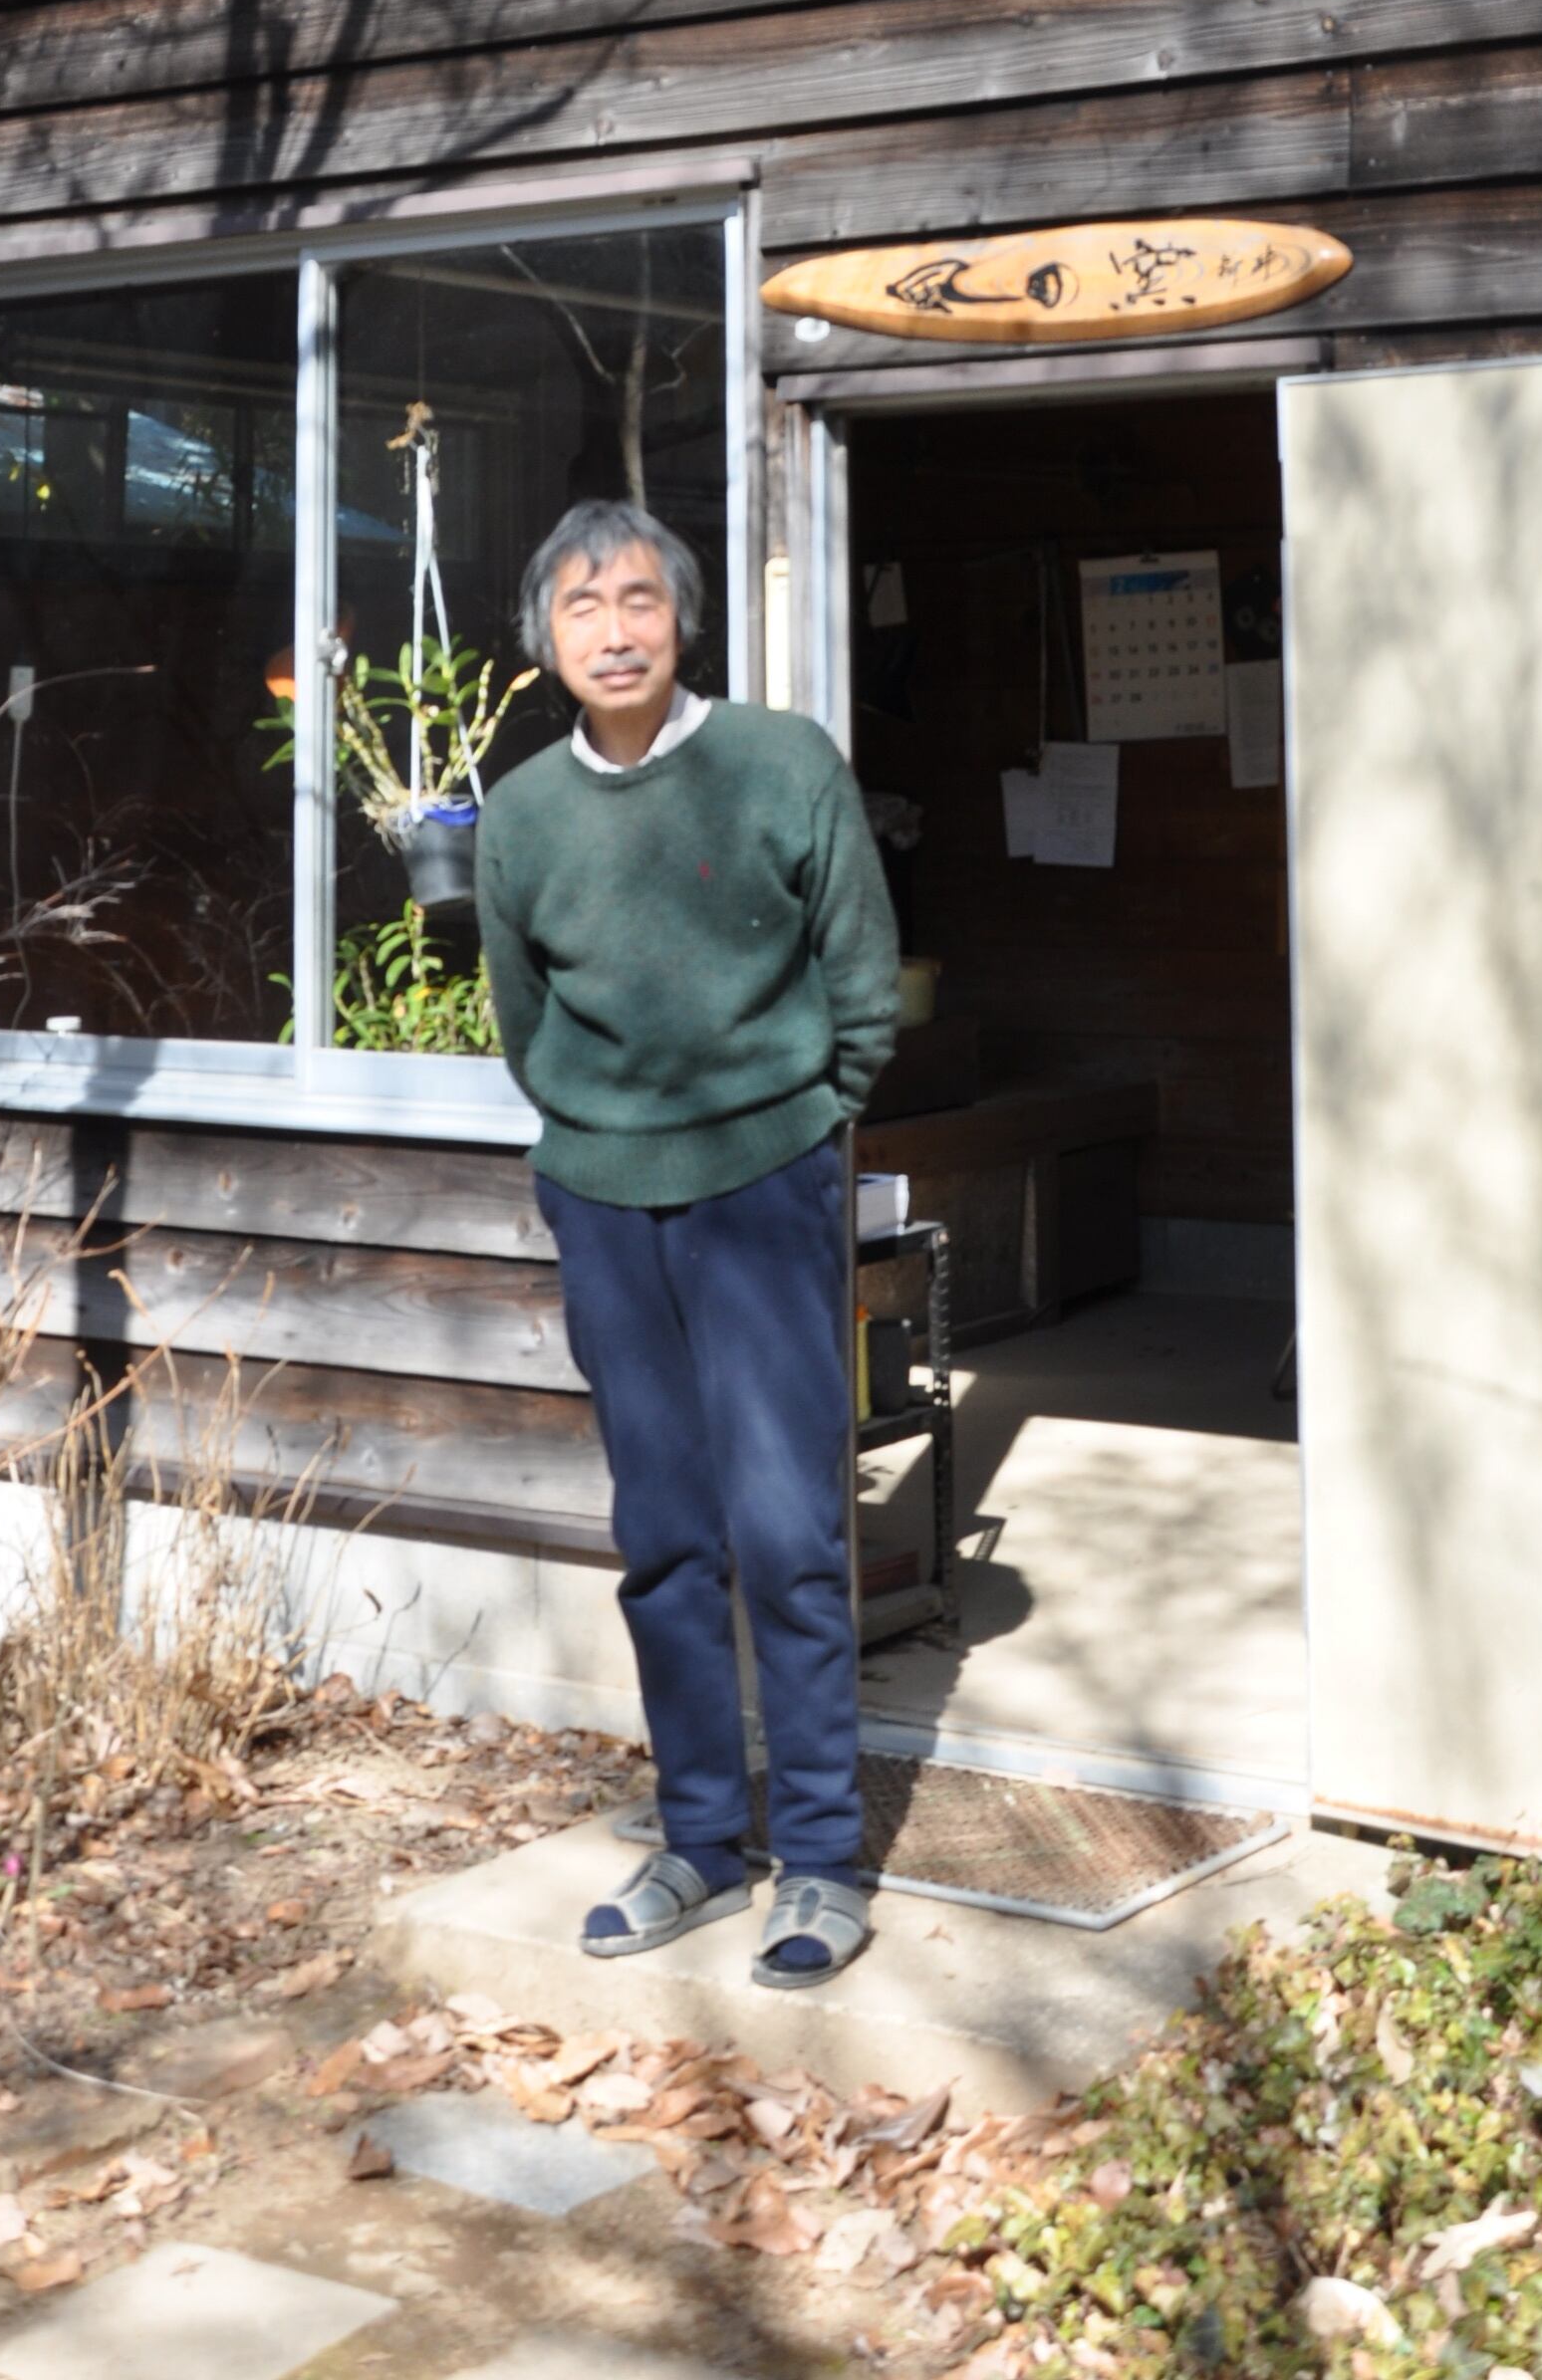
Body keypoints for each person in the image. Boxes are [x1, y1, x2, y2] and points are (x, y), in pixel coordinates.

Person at [473, 496, 900, 1992]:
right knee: (663, 1536)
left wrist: (807, 1117)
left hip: (766, 1184)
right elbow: (525, 1020)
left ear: (682, 617)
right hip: (604, 1198)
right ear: (543, 638)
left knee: (789, 1530)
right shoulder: (520, 816)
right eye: (582, 606)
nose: (614, 628)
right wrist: (597, 1142)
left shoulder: (781, 766)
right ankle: (705, 1841)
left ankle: (826, 1860)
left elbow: (862, 974)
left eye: (639, 599)